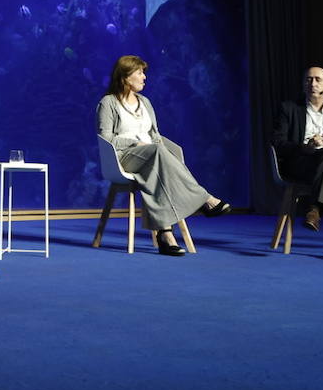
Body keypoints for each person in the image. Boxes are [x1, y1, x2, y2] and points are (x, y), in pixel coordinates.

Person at [96, 55, 231, 256]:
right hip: (123, 157)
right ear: (125, 77)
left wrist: (162, 150)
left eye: (144, 73)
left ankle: (166, 235)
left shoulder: (145, 102)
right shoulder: (108, 103)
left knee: (159, 159)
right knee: (157, 153)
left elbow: (155, 135)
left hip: (152, 155)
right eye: (140, 73)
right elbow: (106, 139)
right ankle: (204, 199)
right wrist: (135, 142)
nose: (144, 77)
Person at [271, 66, 323, 261]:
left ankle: (315, 208)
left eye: (317, 80)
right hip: (301, 164)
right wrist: (304, 147)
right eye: (308, 79)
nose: (312, 84)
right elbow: (278, 142)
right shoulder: (288, 109)